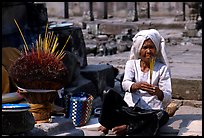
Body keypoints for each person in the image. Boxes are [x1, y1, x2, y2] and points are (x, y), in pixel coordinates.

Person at [97, 29, 172, 136]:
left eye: (151, 47)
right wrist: (136, 86)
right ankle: (107, 123)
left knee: (162, 116)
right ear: (138, 49)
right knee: (108, 93)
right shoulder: (131, 64)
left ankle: (129, 128)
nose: (148, 51)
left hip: (149, 112)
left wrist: (158, 92)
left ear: (156, 49)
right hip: (129, 108)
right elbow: (125, 84)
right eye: (145, 47)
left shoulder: (162, 69)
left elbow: (168, 96)